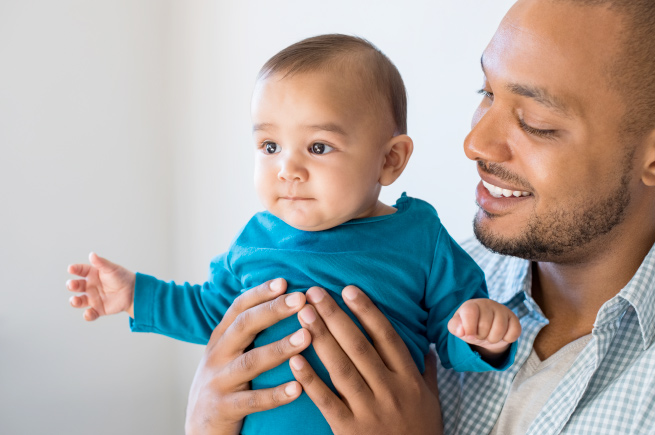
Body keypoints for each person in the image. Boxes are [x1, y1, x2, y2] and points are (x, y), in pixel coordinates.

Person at [182, 0, 655, 434]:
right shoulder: (434, 287)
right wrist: (204, 424)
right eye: (487, 92)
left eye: (535, 121)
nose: (474, 144)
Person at [66, 35, 521, 435]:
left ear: (390, 160)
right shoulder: (256, 238)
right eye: (269, 146)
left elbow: (451, 329)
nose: (288, 169)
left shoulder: (418, 235)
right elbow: (210, 312)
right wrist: (135, 295)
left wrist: (480, 334)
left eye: (318, 147)